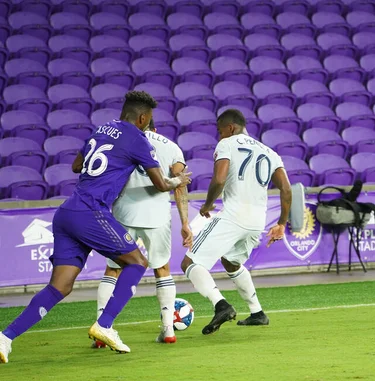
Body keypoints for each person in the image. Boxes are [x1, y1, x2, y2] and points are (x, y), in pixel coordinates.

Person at [0, 91, 192, 363]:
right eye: (148, 119)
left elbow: (76, 165)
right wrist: (178, 180)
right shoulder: (137, 138)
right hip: (92, 211)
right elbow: (162, 183)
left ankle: (5, 337)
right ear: (142, 118)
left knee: (60, 287)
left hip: (67, 212)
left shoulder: (101, 129)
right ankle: (105, 324)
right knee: (137, 262)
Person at [180, 108, 292, 335]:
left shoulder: (227, 144)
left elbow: (219, 179)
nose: (220, 136)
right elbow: (286, 189)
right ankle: (257, 313)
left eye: (220, 131)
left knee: (189, 263)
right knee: (231, 262)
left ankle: (221, 305)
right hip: (256, 221)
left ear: (230, 128)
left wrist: (208, 204)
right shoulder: (270, 153)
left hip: (233, 216)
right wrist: (281, 222)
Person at [92, 118, 192, 348]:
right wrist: (185, 222)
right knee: (162, 269)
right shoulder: (171, 146)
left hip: (124, 212)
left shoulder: (123, 140)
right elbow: (180, 185)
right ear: (154, 128)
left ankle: (101, 328)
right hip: (157, 215)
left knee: (113, 268)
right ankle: (168, 329)